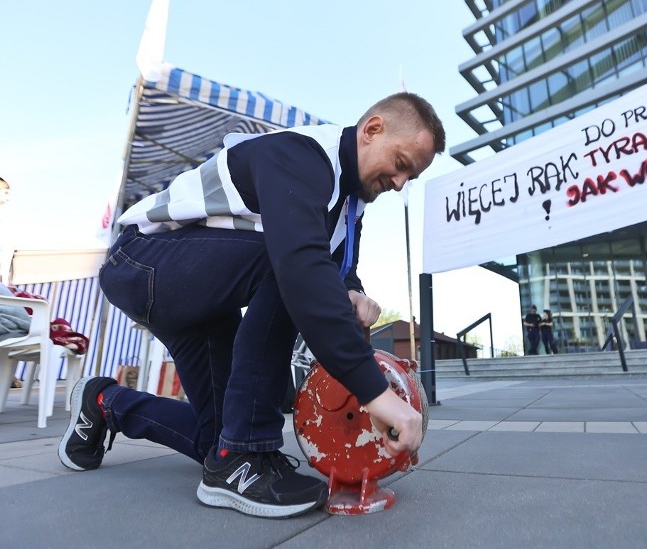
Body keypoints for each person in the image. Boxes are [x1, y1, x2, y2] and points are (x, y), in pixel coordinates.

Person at [58, 92, 446, 519]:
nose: (400, 183)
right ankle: (247, 453)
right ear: (372, 130)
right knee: (285, 265)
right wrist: (376, 394)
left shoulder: (349, 206)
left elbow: (333, 269)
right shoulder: (302, 155)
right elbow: (300, 266)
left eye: (410, 175)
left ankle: (105, 404)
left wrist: (352, 292)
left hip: (200, 295)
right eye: (402, 163)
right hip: (143, 262)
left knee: (217, 444)